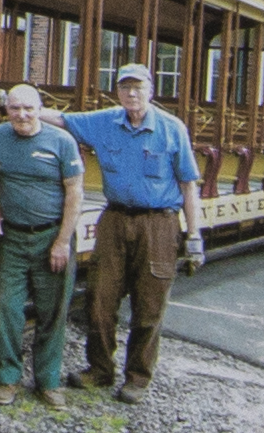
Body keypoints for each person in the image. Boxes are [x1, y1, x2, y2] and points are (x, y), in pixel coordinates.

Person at [67, 59, 202, 400]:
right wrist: (24, 109)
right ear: (117, 92)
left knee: (149, 304)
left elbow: (189, 185)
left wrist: (195, 235)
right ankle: (99, 370)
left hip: (159, 224)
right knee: (98, 299)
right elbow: (61, 119)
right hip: (114, 220)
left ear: (151, 91)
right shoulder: (104, 122)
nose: (131, 93)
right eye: (125, 87)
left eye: (138, 87)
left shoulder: (173, 129)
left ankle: (138, 377)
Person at [0, 83, 98, 404]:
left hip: (52, 237)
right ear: (6, 110)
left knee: (53, 310)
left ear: (39, 109)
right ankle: (7, 378)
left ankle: (47, 381)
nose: (22, 115)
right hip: (12, 237)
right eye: (15, 108)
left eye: (29, 108)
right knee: (6, 307)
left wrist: (61, 242)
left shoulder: (61, 141)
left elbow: (75, 193)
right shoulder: (1, 136)